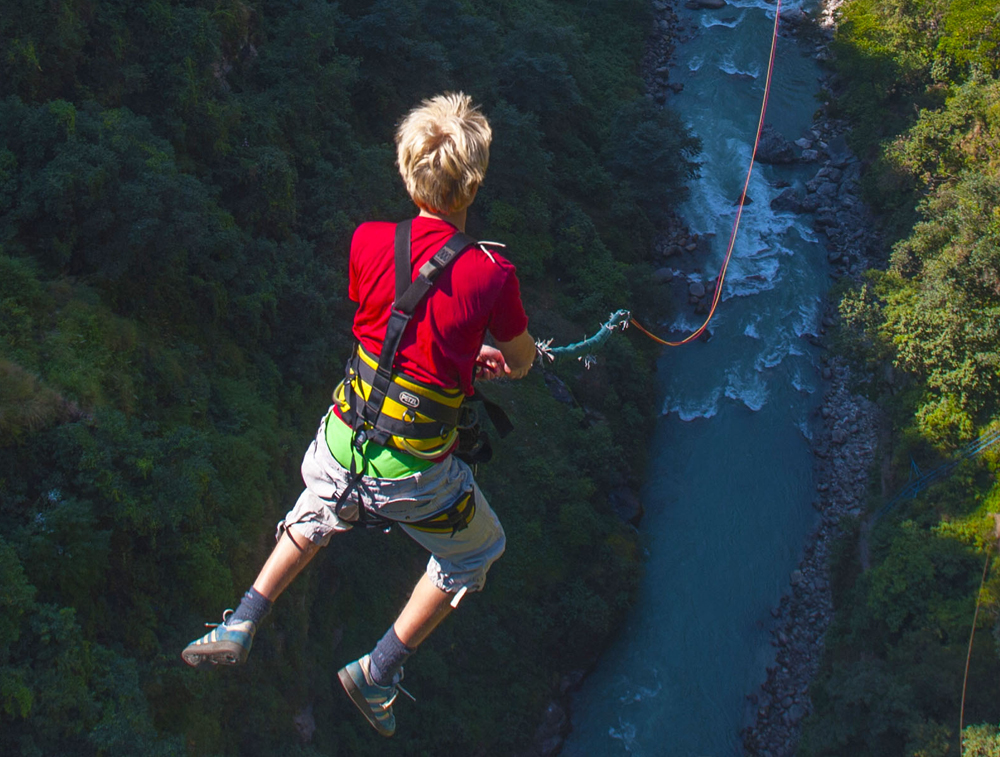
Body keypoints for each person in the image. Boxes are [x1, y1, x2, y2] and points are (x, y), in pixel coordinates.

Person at [181, 92, 536, 738]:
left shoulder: (369, 240)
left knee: (317, 509)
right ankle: (378, 669)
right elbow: (522, 359)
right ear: (475, 181)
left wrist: (457, 351)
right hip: (414, 474)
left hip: (342, 437)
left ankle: (242, 618)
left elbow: (395, 325)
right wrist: (486, 352)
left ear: (407, 170)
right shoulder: (492, 272)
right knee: (480, 549)